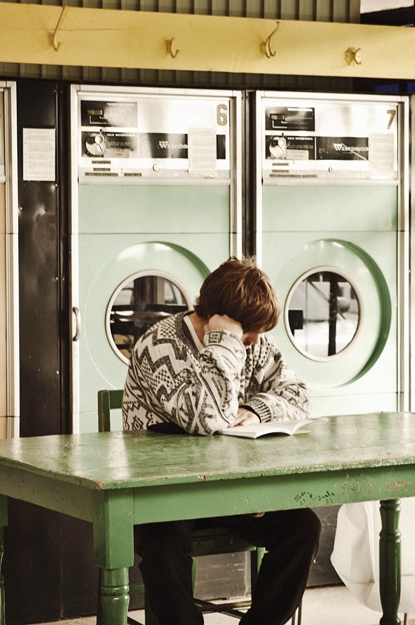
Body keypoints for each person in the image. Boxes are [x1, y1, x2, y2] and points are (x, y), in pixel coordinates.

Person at [122, 256, 321, 625]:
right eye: (249, 330)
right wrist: (224, 343)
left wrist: (259, 408)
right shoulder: (160, 345)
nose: (256, 341)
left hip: (225, 488)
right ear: (222, 319)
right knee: (164, 546)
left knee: (303, 528)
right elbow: (205, 418)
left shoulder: (254, 344)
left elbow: (299, 396)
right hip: (161, 490)